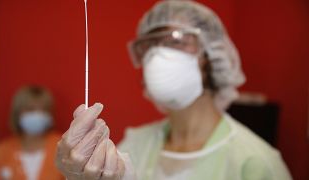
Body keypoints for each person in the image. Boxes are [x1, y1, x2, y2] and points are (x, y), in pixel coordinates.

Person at [55, 0, 292, 179]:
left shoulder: (255, 163)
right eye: (150, 45)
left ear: (211, 55)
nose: (158, 55)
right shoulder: (134, 146)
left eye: (175, 40)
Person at [0, 86, 64, 180]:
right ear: (17, 113)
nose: (38, 114)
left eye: (44, 109)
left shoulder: (63, 147)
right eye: (31, 109)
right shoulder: (0, 152)